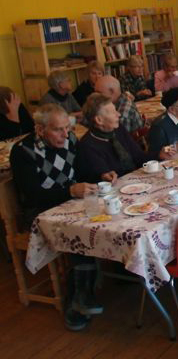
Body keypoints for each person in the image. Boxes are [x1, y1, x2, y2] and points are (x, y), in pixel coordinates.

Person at [10, 104, 100, 331]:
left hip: (69, 201)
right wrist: (70, 191)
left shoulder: (70, 140)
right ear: (40, 129)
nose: (65, 135)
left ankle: (94, 287)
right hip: (39, 212)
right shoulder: (23, 151)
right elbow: (33, 194)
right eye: (58, 129)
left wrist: (101, 176)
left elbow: (83, 172)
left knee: (102, 217)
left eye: (67, 128)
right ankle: (77, 301)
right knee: (78, 230)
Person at [77, 93, 169, 183]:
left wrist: (158, 155)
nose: (119, 114)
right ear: (99, 120)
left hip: (136, 181)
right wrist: (106, 176)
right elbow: (103, 178)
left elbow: (139, 157)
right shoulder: (88, 146)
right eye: (113, 112)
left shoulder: (118, 130)